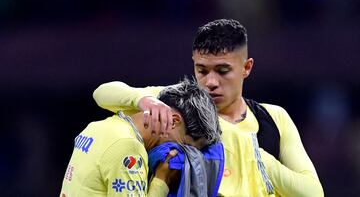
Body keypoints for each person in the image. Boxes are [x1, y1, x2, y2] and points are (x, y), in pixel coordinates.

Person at [92, 19, 324, 196]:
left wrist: (251, 154)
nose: (210, 82)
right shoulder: (176, 103)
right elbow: (102, 93)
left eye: (223, 71)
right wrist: (144, 100)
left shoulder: (273, 117)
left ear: (246, 67)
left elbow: (313, 192)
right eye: (202, 70)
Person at [60, 79, 222, 197]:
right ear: (173, 121)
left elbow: (101, 91)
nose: (179, 155)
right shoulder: (129, 149)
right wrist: (161, 181)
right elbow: (101, 92)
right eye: (184, 146)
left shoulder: (103, 126)